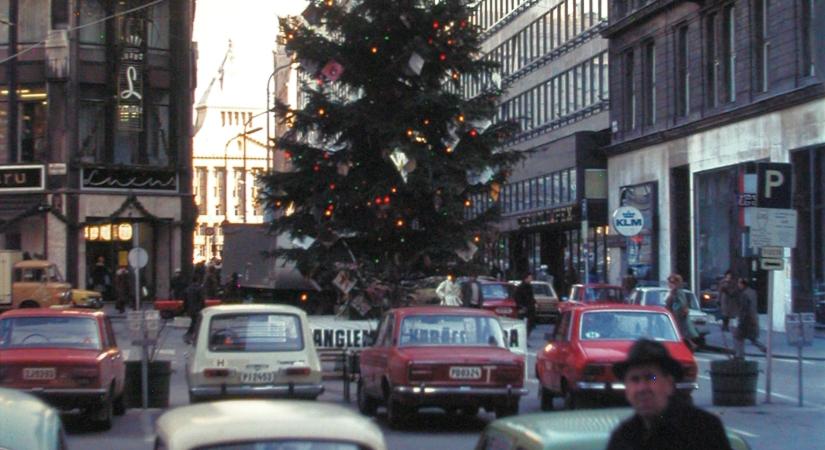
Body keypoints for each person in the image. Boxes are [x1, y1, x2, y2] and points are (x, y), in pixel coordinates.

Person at [607, 339, 733, 450]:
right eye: (634, 379)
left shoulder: (703, 429)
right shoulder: (623, 437)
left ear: (669, 383)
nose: (642, 388)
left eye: (651, 378)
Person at [665, 273, 699, 351]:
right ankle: (689, 345)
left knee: (679, 332)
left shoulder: (678, 292)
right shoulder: (673, 292)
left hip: (678, 316)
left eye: (671, 283)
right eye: (669, 283)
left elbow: (682, 303)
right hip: (674, 315)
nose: (669, 285)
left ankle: (689, 346)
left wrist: (677, 311)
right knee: (679, 333)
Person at [734, 278, 766, 357]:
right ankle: (763, 348)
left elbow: (744, 308)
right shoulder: (753, 292)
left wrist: (740, 319)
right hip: (753, 319)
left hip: (746, 320)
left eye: (739, 283)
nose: (738, 285)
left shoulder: (744, 294)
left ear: (743, 284)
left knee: (738, 337)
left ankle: (739, 355)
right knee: (752, 338)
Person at [183, 274, 206, 344]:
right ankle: (190, 335)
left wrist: (185, 309)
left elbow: (185, 301)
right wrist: (204, 308)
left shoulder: (188, 289)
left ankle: (191, 336)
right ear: (198, 280)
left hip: (190, 309)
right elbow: (202, 300)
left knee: (194, 322)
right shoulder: (199, 289)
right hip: (198, 309)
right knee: (195, 323)